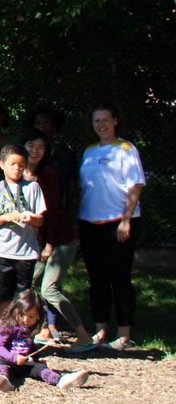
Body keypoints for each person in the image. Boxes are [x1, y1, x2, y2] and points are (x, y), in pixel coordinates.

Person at [78, 102, 144, 351]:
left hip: (119, 222)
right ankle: (100, 329)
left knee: (120, 277)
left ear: (115, 121)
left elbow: (135, 185)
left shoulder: (126, 149)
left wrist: (126, 219)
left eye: (105, 120)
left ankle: (124, 333)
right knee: (97, 278)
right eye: (97, 120)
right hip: (90, 222)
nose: (101, 125)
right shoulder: (89, 151)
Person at [23, 130, 94, 350]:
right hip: (39, 239)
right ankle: (43, 329)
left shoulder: (48, 175)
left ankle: (84, 335)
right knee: (29, 283)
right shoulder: (17, 170)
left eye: (41, 147)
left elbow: (52, 213)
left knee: (49, 289)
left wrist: (49, 244)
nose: (35, 151)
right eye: (31, 145)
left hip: (60, 239)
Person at [0, 145, 46, 319]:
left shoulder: (33, 187)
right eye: (12, 164)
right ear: (2, 164)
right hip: (1, 251)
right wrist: (5, 217)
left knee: (23, 299)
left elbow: (40, 220)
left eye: (21, 165)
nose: (17, 168)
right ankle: (2, 331)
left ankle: (20, 332)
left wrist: (31, 218)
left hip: (26, 252)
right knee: (1, 296)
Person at [0, 290, 91, 392]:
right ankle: (3, 379)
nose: (26, 319)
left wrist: (36, 359)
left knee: (41, 368)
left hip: (23, 364)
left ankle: (61, 380)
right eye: (22, 314)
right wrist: (14, 358)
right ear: (15, 311)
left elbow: (30, 347)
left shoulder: (30, 329)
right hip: (7, 361)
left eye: (31, 316)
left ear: (38, 317)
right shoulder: (7, 327)